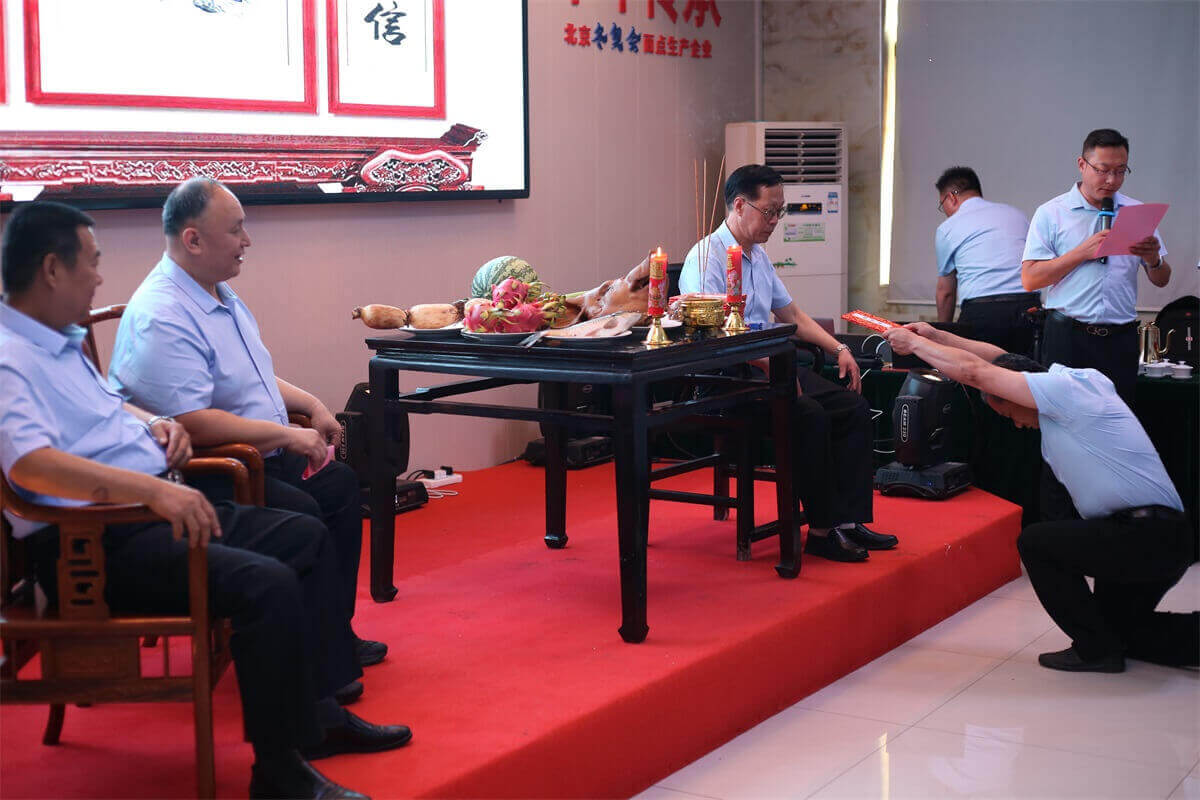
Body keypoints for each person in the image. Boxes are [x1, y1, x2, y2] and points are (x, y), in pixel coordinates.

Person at [0, 202, 411, 799]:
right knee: (268, 581)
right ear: (51, 270)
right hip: (93, 545)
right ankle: (278, 773)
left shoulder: (54, 341)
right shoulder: (9, 356)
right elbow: (29, 464)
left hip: (149, 510)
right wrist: (152, 489)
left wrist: (150, 423)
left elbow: (106, 407)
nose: (99, 277)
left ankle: (319, 714)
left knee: (305, 533)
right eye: (91, 262)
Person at [108, 178, 386, 679]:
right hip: (209, 470)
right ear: (193, 240)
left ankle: (329, 634)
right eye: (236, 230)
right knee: (304, 510)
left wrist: (312, 405)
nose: (247, 241)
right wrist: (287, 435)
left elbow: (253, 375)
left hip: (256, 455)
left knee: (341, 486)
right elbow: (190, 422)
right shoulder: (163, 312)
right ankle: (314, 666)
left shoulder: (215, 291)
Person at [883, 321, 1196, 673]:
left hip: (1146, 538)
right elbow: (1000, 359)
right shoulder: (1076, 384)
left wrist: (913, 344)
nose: (1017, 424)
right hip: (1161, 537)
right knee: (1123, 632)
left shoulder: (1062, 393)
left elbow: (977, 371)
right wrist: (936, 336)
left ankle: (1095, 651)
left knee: (1036, 543)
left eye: (1010, 414)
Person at [680, 164, 898, 563]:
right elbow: (713, 335)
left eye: (779, 212)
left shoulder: (759, 257)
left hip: (770, 366)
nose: (775, 221)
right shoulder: (706, 258)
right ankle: (821, 531)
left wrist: (839, 349)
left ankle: (847, 520)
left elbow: (791, 315)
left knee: (852, 406)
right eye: (770, 211)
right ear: (740, 206)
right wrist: (769, 367)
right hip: (728, 377)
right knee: (809, 414)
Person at [1021, 128, 1171, 406]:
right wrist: (1081, 253)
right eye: (1103, 170)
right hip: (1068, 337)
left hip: (1120, 339)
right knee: (1064, 418)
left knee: (1118, 420)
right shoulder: (1052, 212)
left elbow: (1162, 278)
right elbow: (1030, 279)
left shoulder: (1136, 212)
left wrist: (1154, 259)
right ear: (1082, 164)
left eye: (1121, 171)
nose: (1112, 180)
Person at [933, 166, 1041, 356]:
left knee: (977, 371)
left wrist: (943, 336)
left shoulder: (948, 228)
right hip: (1028, 309)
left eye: (943, 205)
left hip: (983, 313)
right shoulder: (1016, 214)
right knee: (1025, 372)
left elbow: (946, 293)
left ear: (951, 197)